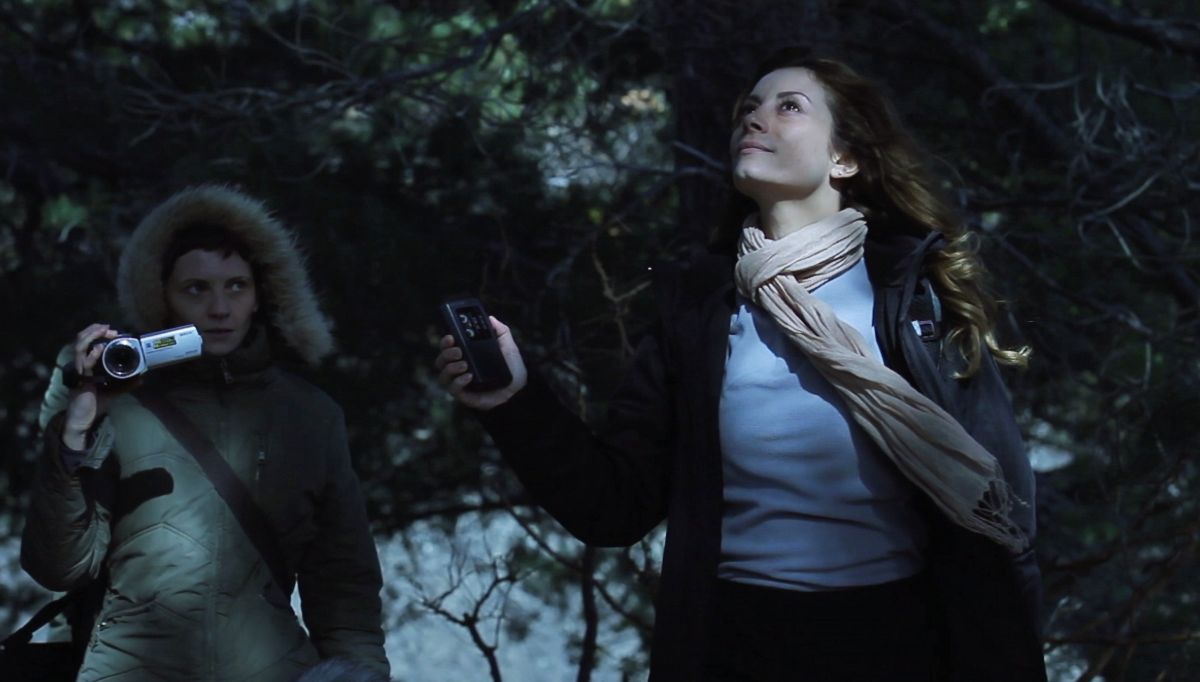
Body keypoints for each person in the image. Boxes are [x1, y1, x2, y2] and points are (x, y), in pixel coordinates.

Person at [436, 49, 1046, 681]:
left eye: (789, 107)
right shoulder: (698, 309)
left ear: (845, 158)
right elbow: (614, 506)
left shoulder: (916, 296)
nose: (755, 119)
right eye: (749, 108)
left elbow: (1004, 517)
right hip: (735, 645)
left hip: (896, 644)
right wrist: (516, 400)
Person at [21, 185, 391, 681]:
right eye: (196, 289)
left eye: (236, 286)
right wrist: (76, 430)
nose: (220, 308)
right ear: (162, 296)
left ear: (261, 295)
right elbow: (57, 568)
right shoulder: (106, 399)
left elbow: (344, 586)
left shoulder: (311, 415)